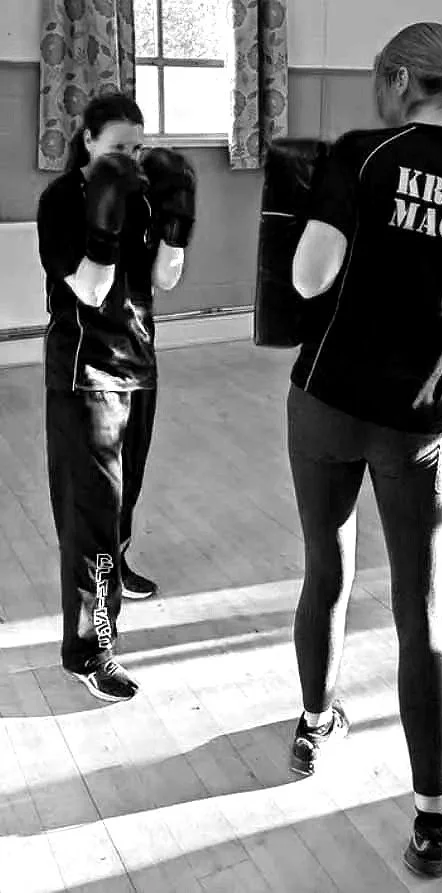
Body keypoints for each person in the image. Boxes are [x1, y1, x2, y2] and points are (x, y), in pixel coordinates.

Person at [286, 22, 442, 877]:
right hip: (418, 418)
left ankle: (314, 723)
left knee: (325, 565)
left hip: (324, 401)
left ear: (394, 80)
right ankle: (432, 820)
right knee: (421, 612)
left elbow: (310, 278)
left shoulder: (361, 156)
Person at [37, 92, 196, 702]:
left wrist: (176, 227)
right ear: (88, 142)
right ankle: (90, 649)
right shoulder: (61, 200)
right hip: (85, 374)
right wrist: (104, 225)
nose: (133, 157)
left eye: (139, 145)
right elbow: (87, 288)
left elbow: (162, 279)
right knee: (89, 516)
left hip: (138, 364)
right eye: (120, 147)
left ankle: (116, 565)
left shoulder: (143, 192)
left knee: (122, 497)